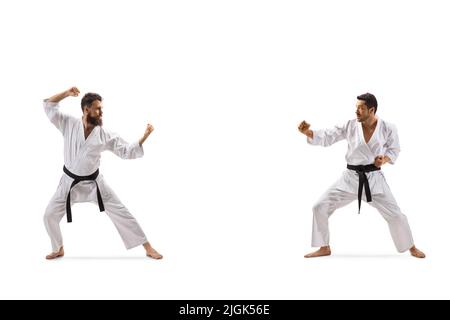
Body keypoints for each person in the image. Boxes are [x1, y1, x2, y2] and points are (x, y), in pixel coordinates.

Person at [298, 93, 425, 258]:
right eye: (356, 107)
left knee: (396, 215)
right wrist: (308, 132)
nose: (356, 111)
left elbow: (394, 149)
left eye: (361, 108)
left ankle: (411, 247)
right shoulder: (350, 125)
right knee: (319, 206)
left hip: (374, 180)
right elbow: (329, 136)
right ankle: (324, 247)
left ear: (371, 110)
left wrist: (383, 159)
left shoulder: (388, 127)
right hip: (350, 178)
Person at [43, 87, 162, 260]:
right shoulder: (68, 124)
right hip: (69, 183)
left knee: (122, 212)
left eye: (101, 109)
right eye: (98, 109)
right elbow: (49, 105)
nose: (101, 112)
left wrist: (144, 137)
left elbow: (126, 151)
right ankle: (58, 247)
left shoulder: (104, 135)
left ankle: (148, 247)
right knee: (48, 216)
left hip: (94, 185)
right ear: (86, 109)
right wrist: (67, 93)